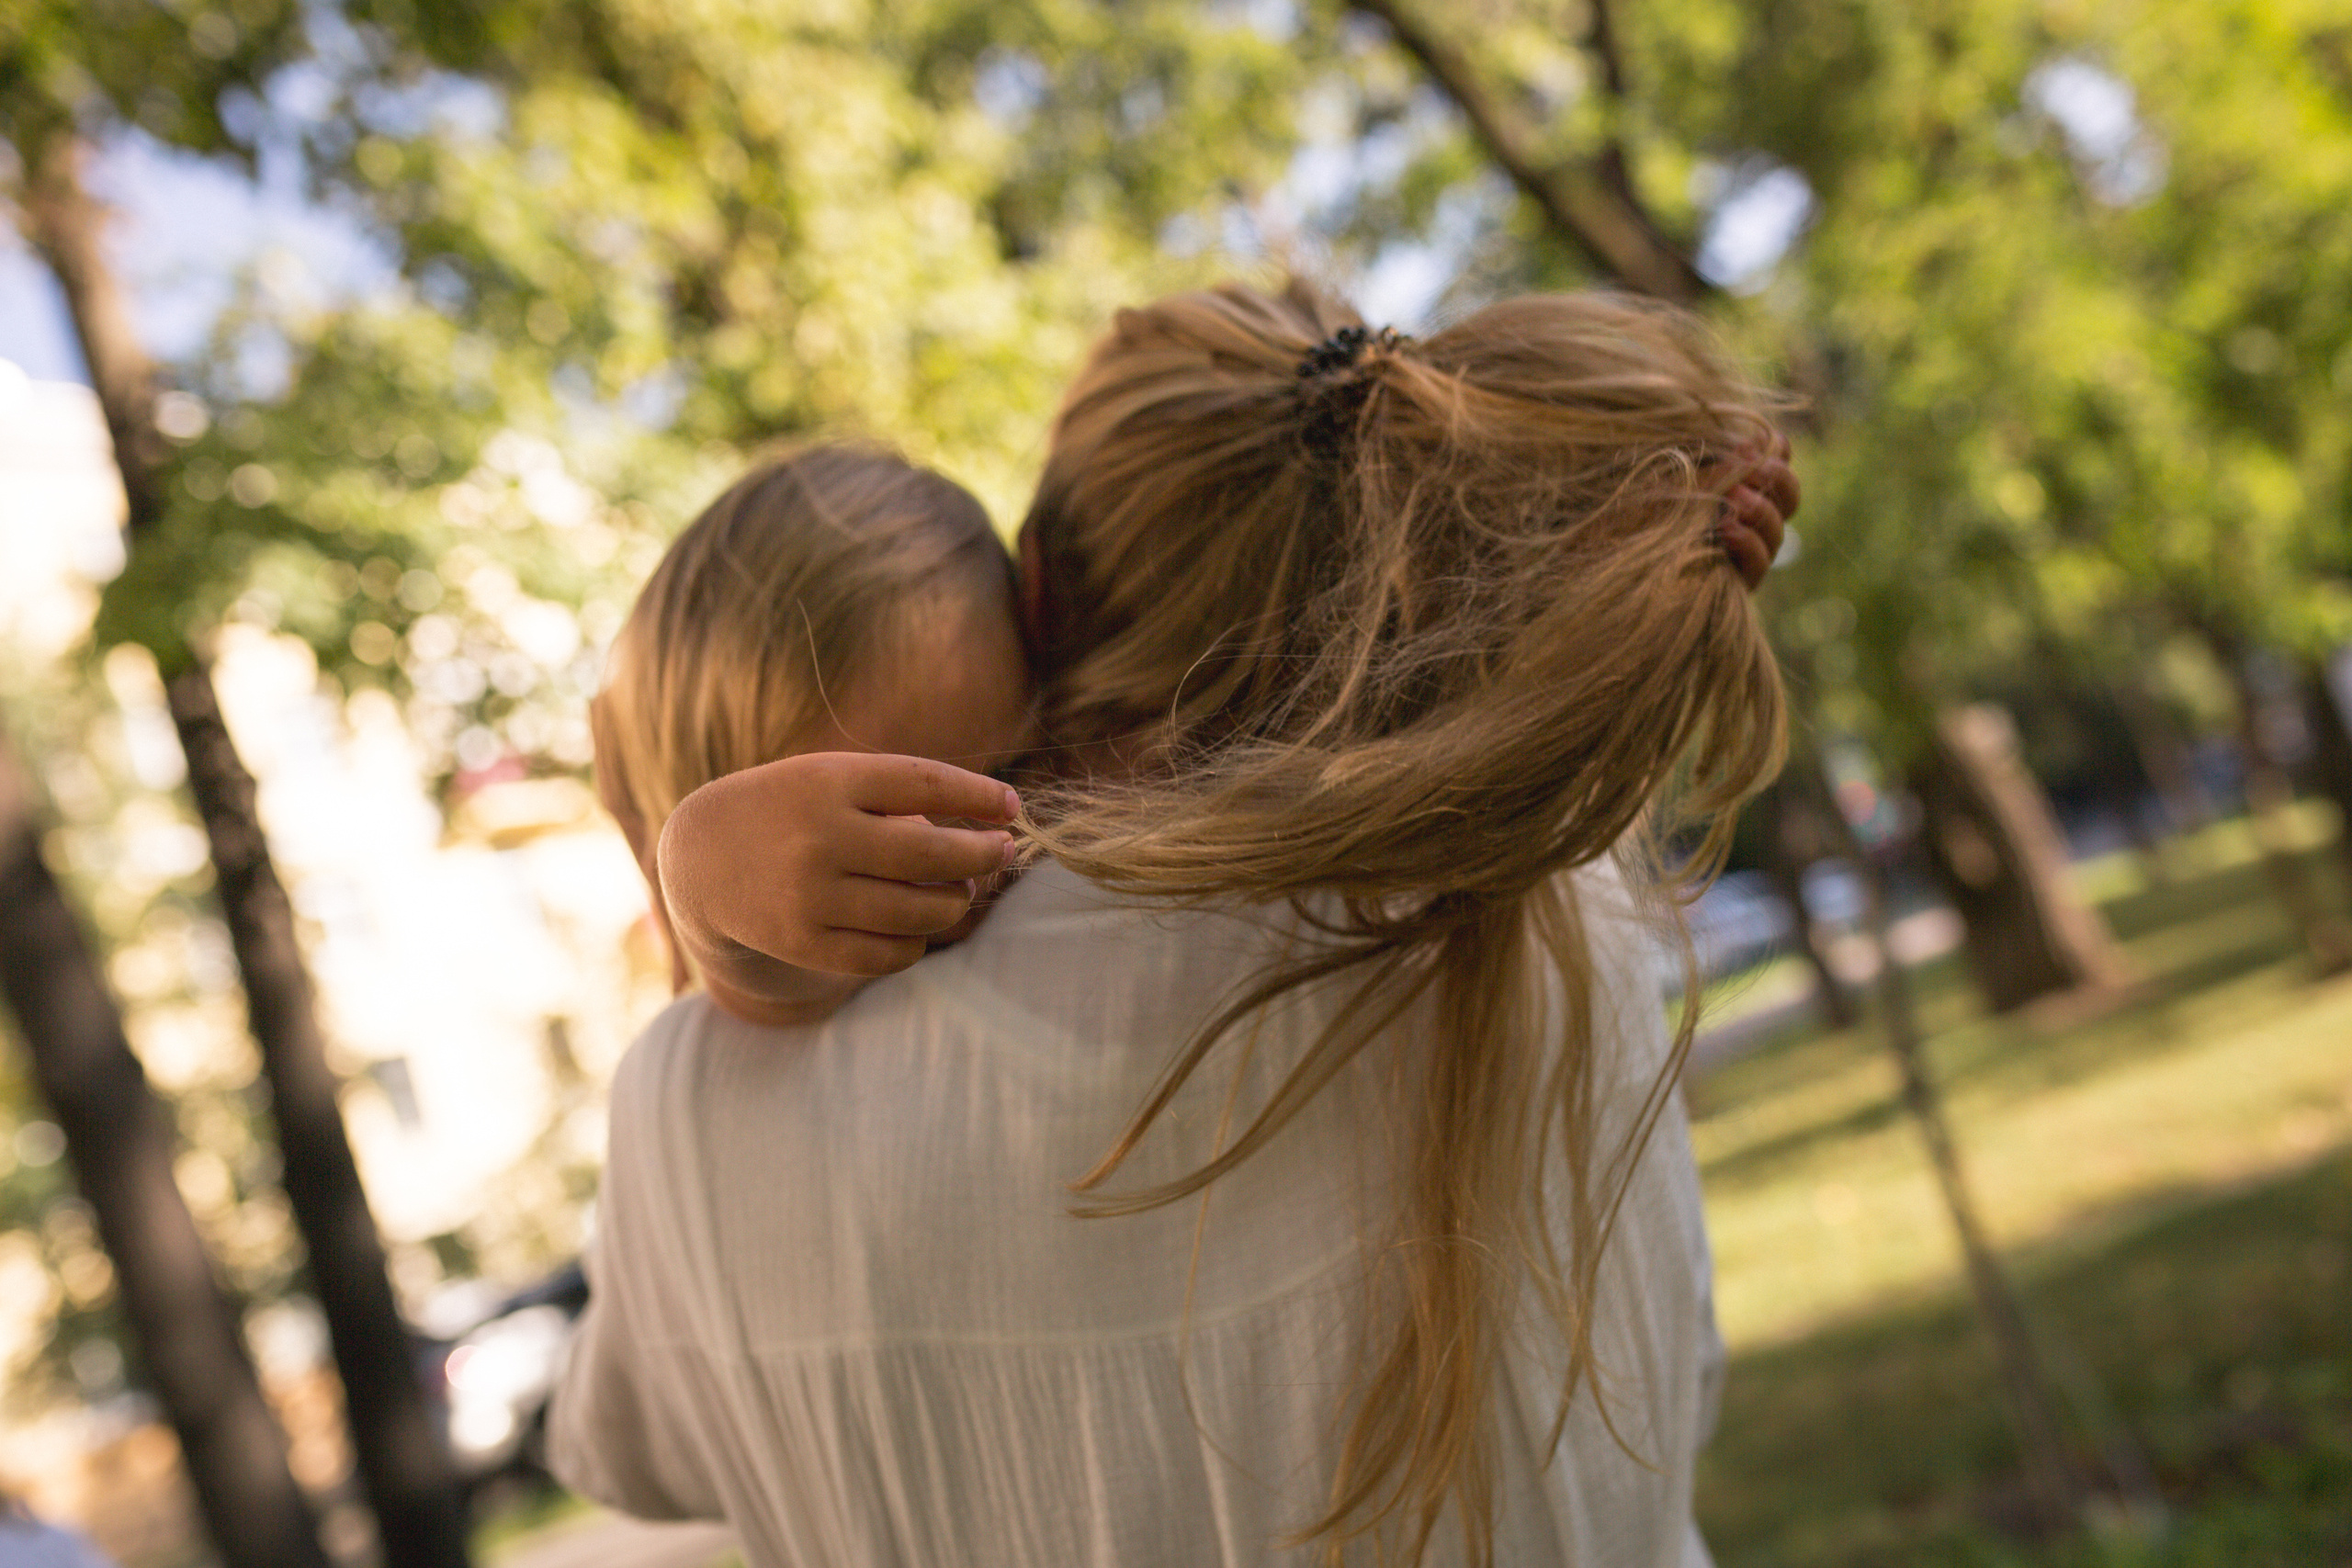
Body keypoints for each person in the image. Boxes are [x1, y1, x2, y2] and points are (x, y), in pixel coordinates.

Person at [551, 279, 1796, 1567]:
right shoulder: (1551, 899)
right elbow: (1672, 1399)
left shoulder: (701, 1110)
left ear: (1034, 597)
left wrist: (675, 873)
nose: (950, 879)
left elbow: (627, 1453)